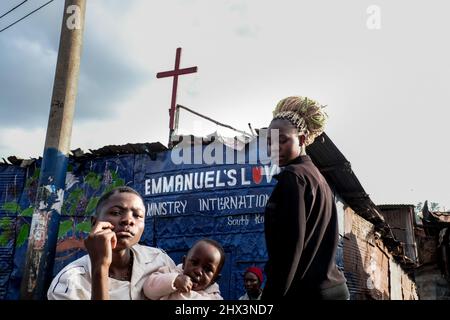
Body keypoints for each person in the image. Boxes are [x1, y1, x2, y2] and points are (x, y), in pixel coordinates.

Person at [262, 96, 349, 300]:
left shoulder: (294, 178)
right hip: (334, 288)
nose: (274, 148)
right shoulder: (318, 178)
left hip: (309, 293)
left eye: (282, 140)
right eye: (270, 142)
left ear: (301, 139)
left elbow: (290, 250)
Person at [47, 186, 176, 300]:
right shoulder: (70, 282)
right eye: (116, 213)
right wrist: (100, 267)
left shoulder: (159, 261)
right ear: (94, 222)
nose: (128, 220)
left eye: (137, 215)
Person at [143, 238, 225, 300]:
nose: (198, 271)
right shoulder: (170, 272)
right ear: (184, 263)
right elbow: (148, 289)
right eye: (194, 262)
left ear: (214, 279)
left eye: (207, 269)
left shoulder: (214, 297)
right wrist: (174, 281)